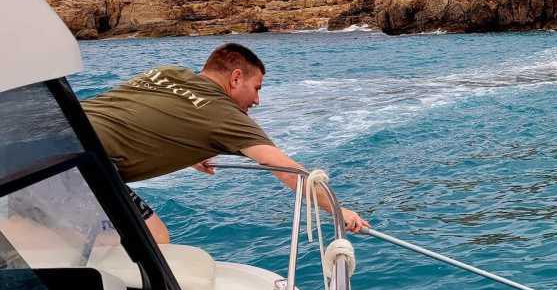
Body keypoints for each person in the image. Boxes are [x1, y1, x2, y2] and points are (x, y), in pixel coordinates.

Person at [81, 43, 369, 244]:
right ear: (235, 78)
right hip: (84, 162)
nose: (257, 100)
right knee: (155, 237)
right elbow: (286, 170)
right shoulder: (224, 116)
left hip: (56, 129)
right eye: (256, 88)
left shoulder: (168, 72)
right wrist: (338, 210)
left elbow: (143, 113)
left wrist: (190, 147)